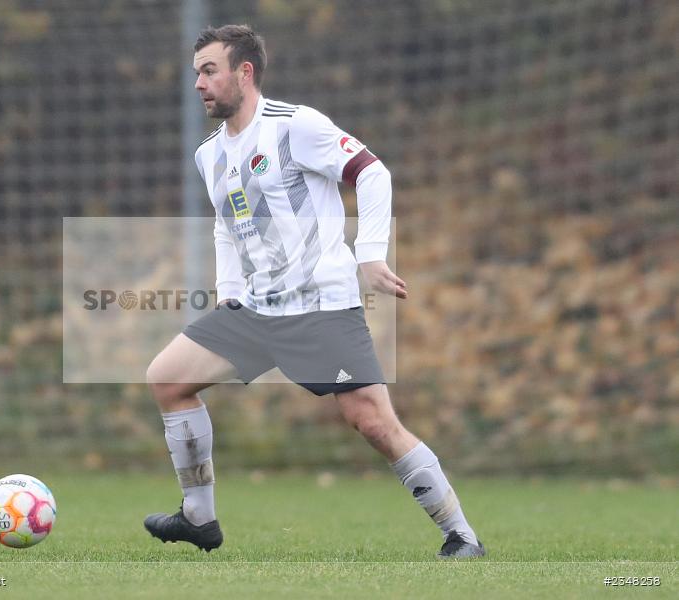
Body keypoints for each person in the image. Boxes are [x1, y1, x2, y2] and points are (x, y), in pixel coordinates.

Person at [143, 24, 485, 559]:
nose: (199, 84)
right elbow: (225, 225)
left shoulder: (295, 125)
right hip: (257, 309)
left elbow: (372, 173)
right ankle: (199, 518)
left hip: (321, 306)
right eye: (196, 74)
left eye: (209, 71)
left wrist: (370, 253)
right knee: (167, 378)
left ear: (244, 72)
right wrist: (228, 290)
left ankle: (462, 536)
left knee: (372, 422)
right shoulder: (209, 154)